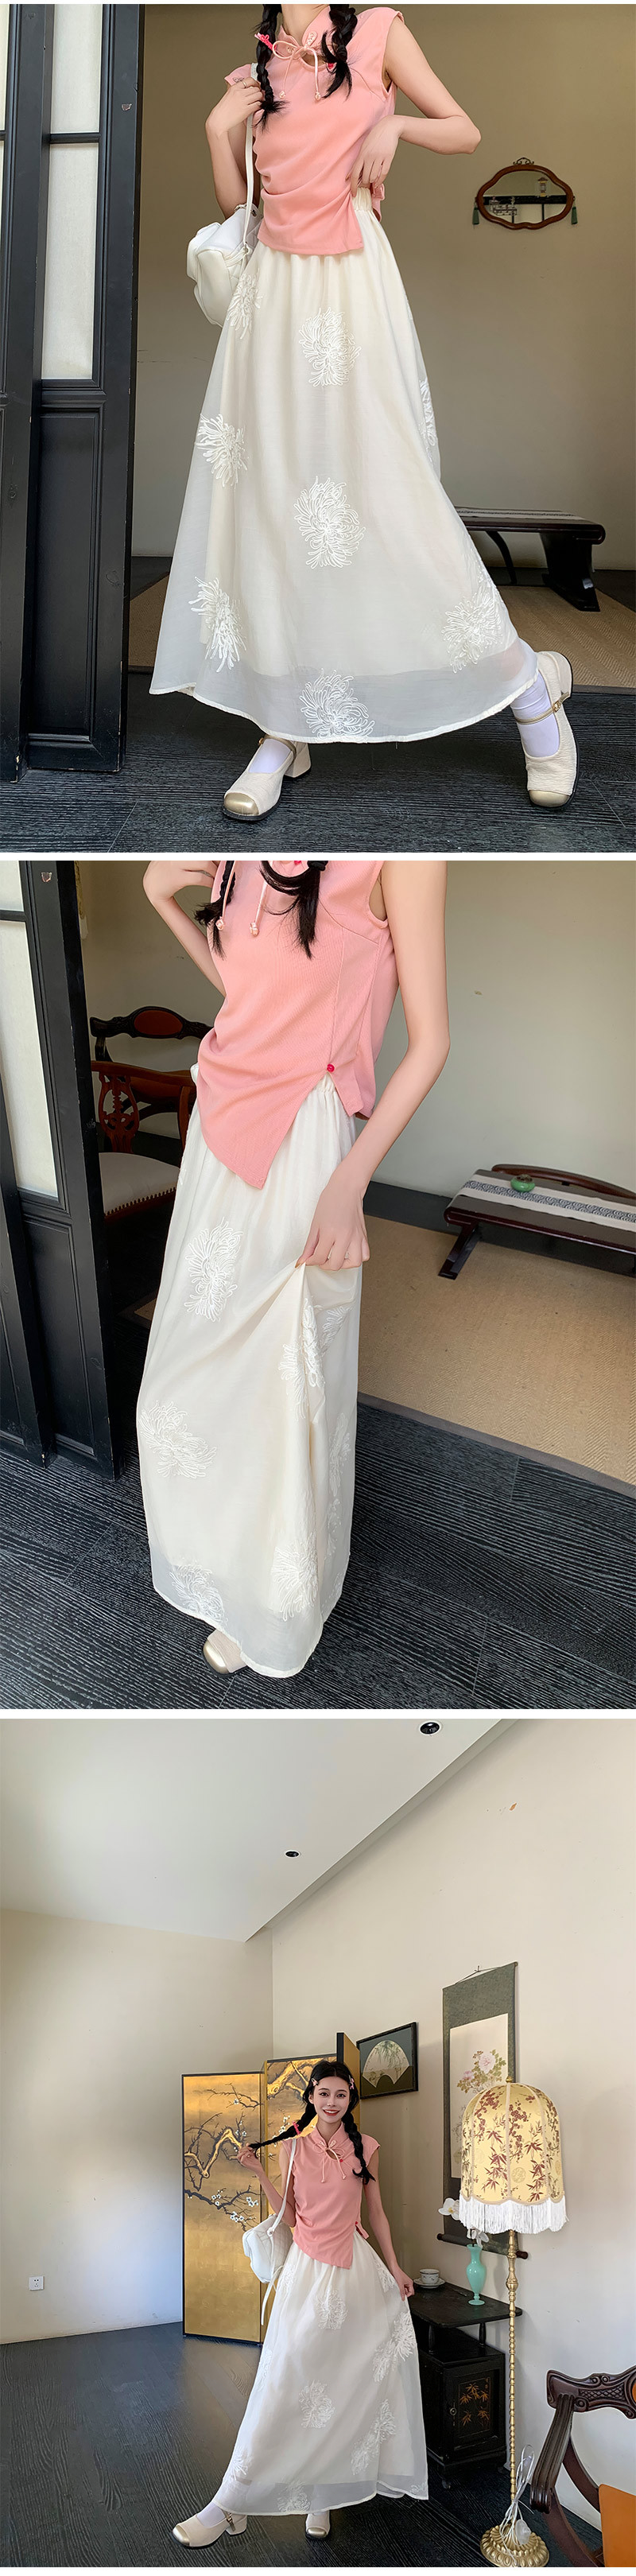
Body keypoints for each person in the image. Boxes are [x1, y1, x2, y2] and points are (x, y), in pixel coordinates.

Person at [149, 4, 577, 820]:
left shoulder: (377, 31)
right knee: (273, 507)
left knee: (389, 496)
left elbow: (464, 130)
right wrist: (215, 131)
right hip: (270, 302)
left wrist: (396, 123)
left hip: (350, 288)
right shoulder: (259, 66)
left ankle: (529, 688)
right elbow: (244, 208)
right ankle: (284, 728)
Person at [136, 857, 449, 1678]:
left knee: (278, 1393)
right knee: (181, 1389)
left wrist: (351, 1180)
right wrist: (162, 901)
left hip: (303, 1144)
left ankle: (272, 1604)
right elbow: (249, 996)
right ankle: (220, 1566)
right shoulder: (245, 846)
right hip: (220, 1129)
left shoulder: (395, 857)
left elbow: (432, 1042)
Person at [173, 2057, 428, 2545]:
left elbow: (376, 2212)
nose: (332, 2102)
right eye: (323, 2093)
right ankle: (230, 2502)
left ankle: (321, 2496)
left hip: (355, 2273)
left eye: (340, 2094)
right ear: (310, 2096)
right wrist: (258, 2172)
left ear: (350, 2099)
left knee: (341, 2383)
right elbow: (289, 2216)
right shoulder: (292, 2148)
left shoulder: (367, 2148)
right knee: (285, 2381)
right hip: (307, 2274)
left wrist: (395, 2266)